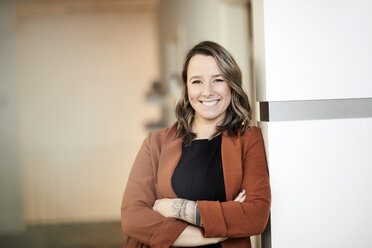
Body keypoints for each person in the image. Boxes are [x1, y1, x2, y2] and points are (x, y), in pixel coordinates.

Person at [121, 41, 271, 248]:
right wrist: (218, 231)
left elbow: (255, 216)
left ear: (232, 84)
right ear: (186, 87)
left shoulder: (249, 139)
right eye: (197, 82)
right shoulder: (154, 143)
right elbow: (133, 217)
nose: (207, 92)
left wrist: (179, 208)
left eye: (218, 80)